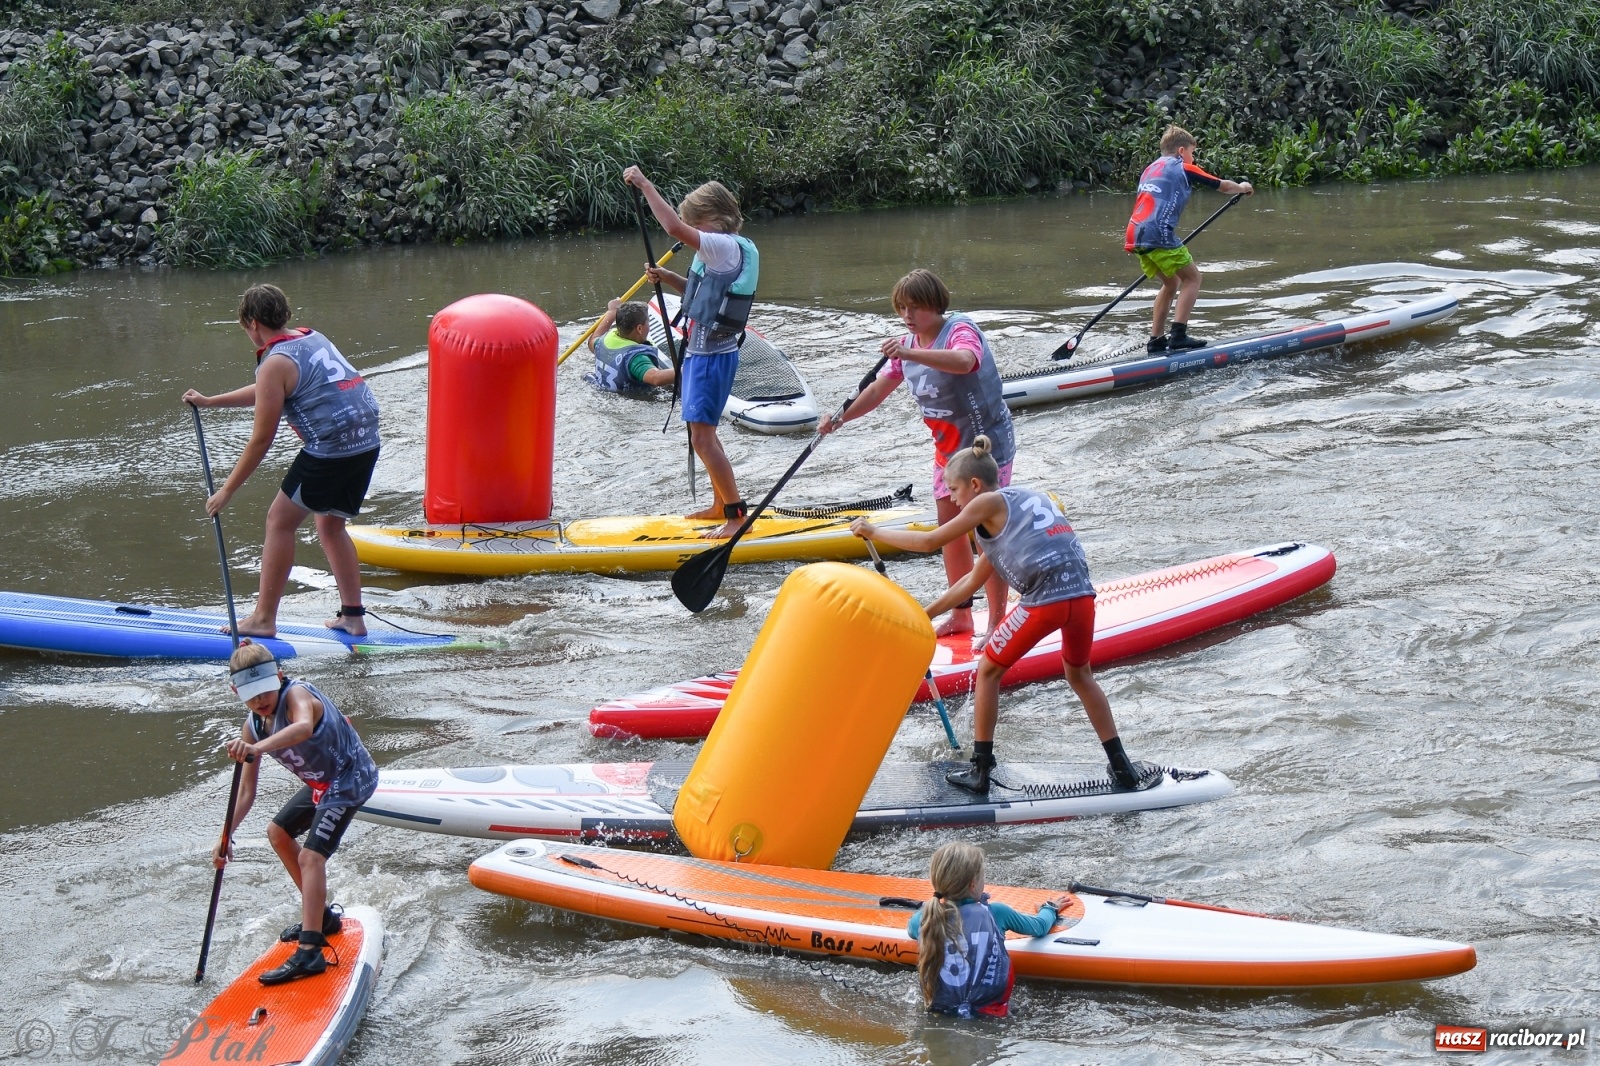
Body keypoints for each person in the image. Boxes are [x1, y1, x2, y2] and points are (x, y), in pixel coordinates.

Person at [852, 436, 1151, 794]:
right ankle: (1122, 765)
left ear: (975, 485)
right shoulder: (1017, 507)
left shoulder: (987, 503)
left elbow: (932, 542)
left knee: (988, 671)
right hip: (1082, 598)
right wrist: (922, 615)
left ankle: (980, 770)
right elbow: (967, 584)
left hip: (1045, 601)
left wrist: (874, 531)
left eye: (955, 490)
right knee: (1080, 674)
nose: (954, 499)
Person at [821, 269, 1016, 641]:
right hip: (947, 450)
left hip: (986, 445)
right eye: (902, 308)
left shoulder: (959, 330)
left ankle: (997, 621)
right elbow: (877, 392)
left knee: (986, 534)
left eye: (916, 308)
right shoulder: (906, 345)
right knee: (949, 532)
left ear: (935, 306)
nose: (908, 316)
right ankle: (962, 617)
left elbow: (965, 362)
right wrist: (840, 419)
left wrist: (911, 350)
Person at [182, 283, 381, 638]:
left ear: (253, 323)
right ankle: (353, 617)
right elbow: (268, 390)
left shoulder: (274, 361)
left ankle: (263, 619)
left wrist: (227, 491)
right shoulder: (310, 338)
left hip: (331, 448)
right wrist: (211, 401)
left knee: (279, 521)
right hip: (366, 441)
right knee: (330, 526)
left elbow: (262, 438)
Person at [212, 640, 379, 984]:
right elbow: (246, 792)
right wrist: (226, 834)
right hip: (322, 784)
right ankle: (323, 917)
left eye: (265, 689)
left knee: (311, 858)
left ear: (280, 674)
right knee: (277, 833)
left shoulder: (296, 695)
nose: (260, 700)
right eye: (251, 693)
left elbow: (302, 727)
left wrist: (255, 748)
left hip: (349, 778)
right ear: (235, 691)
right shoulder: (253, 726)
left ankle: (309, 952)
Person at [622, 166, 758, 539]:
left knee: (702, 438)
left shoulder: (722, 243)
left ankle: (735, 516)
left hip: (712, 356)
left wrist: (646, 184)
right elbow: (699, 294)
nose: (689, 231)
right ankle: (720, 505)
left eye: (693, 223)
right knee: (704, 435)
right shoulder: (722, 252)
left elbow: (673, 230)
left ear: (712, 220)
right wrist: (667, 278)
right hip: (705, 353)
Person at [1125, 125, 1254, 353]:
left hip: (1135, 233)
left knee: (1171, 282)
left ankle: (1156, 340)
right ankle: (1178, 335)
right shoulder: (1182, 166)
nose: (1193, 159)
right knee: (1193, 279)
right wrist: (1242, 187)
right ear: (1182, 150)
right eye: (1193, 153)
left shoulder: (1150, 168)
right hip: (1158, 233)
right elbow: (1221, 185)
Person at [906, 841, 1068, 1019]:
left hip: (942, 1011)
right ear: (973, 885)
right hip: (991, 1014)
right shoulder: (996, 912)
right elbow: (1039, 927)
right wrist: (1050, 908)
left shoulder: (924, 919)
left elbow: (912, 930)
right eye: (983, 876)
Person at [585, 298, 675, 393]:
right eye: (648, 321)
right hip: (626, 399)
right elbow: (655, 378)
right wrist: (689, 368)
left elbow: (593, 339)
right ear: (639, 328)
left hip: (604, 390)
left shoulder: (603, 342)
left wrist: (611, 313)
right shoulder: (636, 358)